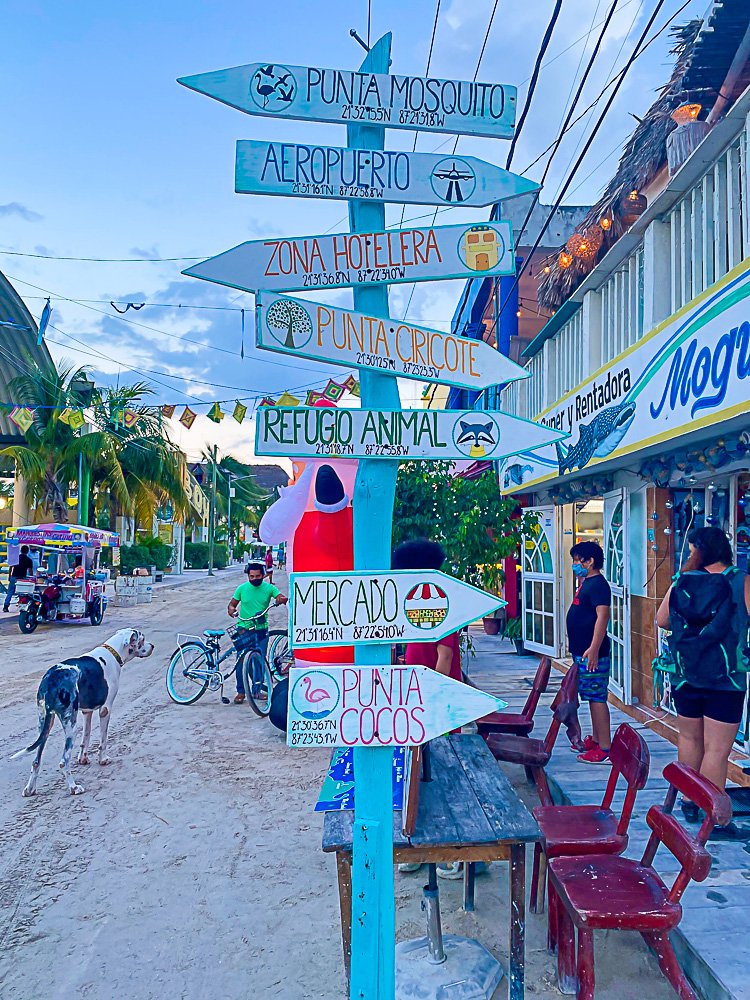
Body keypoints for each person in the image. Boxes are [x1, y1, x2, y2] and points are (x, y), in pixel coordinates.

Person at [656, 526, 750, 831]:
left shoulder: (682, 581)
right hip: (727, 678)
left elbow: (661, 619)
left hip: (687, 674)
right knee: (717, 750)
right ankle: (710, 811)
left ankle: (687, 801)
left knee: (689, 738)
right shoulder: (740, 579)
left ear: (698, 549)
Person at [392, 538, 466, 879]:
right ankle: (420, 845)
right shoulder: (413, 606)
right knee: (415, 776)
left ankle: (459, 853)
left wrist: (428, 700)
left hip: (437, 704)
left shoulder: (442, 605)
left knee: (448, 779)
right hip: (416, 701)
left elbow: (445, 659)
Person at [566, 541, 612, 764]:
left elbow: (602, 617)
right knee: (589, 696)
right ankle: (595, 738)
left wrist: (593, 649)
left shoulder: (599, 586)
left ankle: (604, 748)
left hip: (593, 654)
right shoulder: (587, 582)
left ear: (589, 561)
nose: (575, 564)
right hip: (582, 652)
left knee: (596, 698)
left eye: (577, 560)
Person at [227, 562, 287, 704]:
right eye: (251, 576)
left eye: (258, 576)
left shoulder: (269, 588)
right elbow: (232, 604)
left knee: (259, 660)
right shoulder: (242, 589)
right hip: (243, 629)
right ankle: (241, 691)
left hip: (261, 629)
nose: (254, 579)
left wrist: (280, 599)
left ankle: (257, 691)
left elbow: (279, 596)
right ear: (248, 576)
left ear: (263, 575)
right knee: (240, 662)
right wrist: (231, 610)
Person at [3, 545, 34, 612]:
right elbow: (30, 571)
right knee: (22, 593)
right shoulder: (29, 560)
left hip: (14, 577)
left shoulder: (16, 558)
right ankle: (21, 606)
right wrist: (32, 578)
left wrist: (9, 576)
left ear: (21, 550)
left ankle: (6, 606)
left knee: (10, 592)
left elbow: (11, 567)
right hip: (22, 579)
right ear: (27, 551)